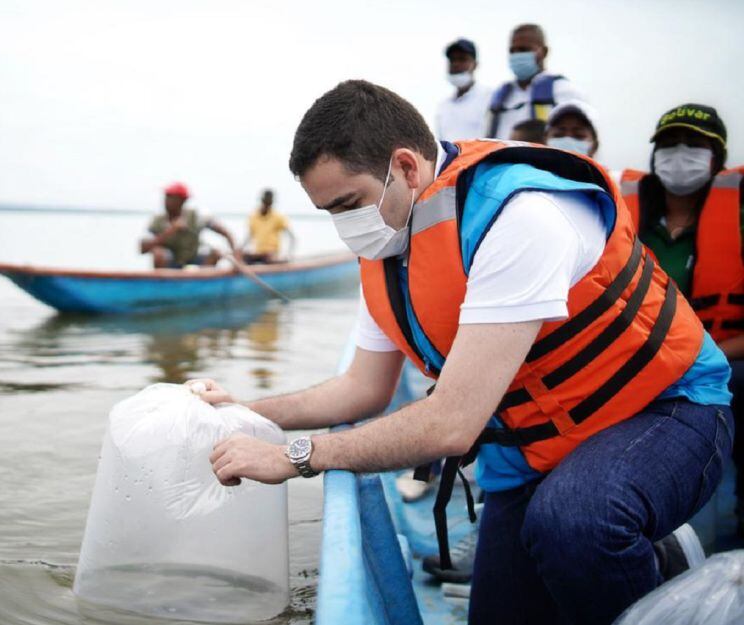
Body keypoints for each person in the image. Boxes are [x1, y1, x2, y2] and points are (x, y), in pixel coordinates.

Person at [191, 80, 731, 625]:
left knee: (573, 522)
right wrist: (244, 413)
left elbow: (451, 425)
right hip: (536, 447)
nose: (343, 225)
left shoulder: (520, 216)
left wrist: (295, 456)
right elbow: (362, 388)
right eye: (328, 211)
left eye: (348, 204)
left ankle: (658, 570)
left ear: (404, 167)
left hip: (664, 414)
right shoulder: (388, 243)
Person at [618, 104, 744, 536]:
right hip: (638, 367)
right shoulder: (625, 219)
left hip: (725, 366)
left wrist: (696, 360)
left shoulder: (738, 219)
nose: (679, 153)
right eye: (669, 144)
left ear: (717, 157)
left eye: (694, 144)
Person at [486, 24, 585, 140]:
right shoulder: (498, 96)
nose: (517, 55)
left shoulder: (566, 92)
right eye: (513, 50)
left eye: (524, 49)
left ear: (544, 51)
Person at [140, 182, 240, 269]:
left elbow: (226, 233)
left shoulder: (198, 216)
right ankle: (162, 285)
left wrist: (236, 254)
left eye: (171, 197)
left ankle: (202, 283)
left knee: (215, 252)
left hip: (194, 260)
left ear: (182, 200)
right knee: (158, 253)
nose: (166, 200)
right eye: (166, 196)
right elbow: (142, 248)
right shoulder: (158, 221)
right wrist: (170, 231)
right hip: (170, 263)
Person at [435, 38, 493, 142]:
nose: (456, 64)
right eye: (452, 60)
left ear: (475, 65)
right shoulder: (443, 106)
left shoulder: (490, 98)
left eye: (462, 59)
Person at [242, 189, 294, 264]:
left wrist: (288, 254)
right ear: (261, 201)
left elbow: (291, 237)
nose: (266, 205)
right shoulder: (253, 216)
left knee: (270, 258)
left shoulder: (278, 217)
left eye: (269, 203)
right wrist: (240, 250)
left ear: (271, 203)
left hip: (271, 254)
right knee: (243, 257)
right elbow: (249, 237)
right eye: (265, 202)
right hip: (258, 253)